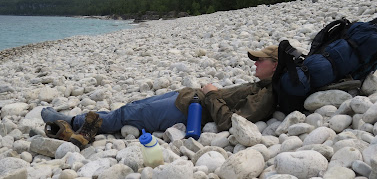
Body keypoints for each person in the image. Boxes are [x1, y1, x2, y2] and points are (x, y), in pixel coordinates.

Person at [42, 45, 278, 147]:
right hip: (186, 97)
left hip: (188, 109)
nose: (255, 63)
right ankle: (79, 123)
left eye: (260, 59)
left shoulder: (266, 95)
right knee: (129, 108)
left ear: (275, 66)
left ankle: (70, 123)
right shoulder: (262, 86)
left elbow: (229, 121)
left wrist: (213, 93)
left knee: (128, 115)